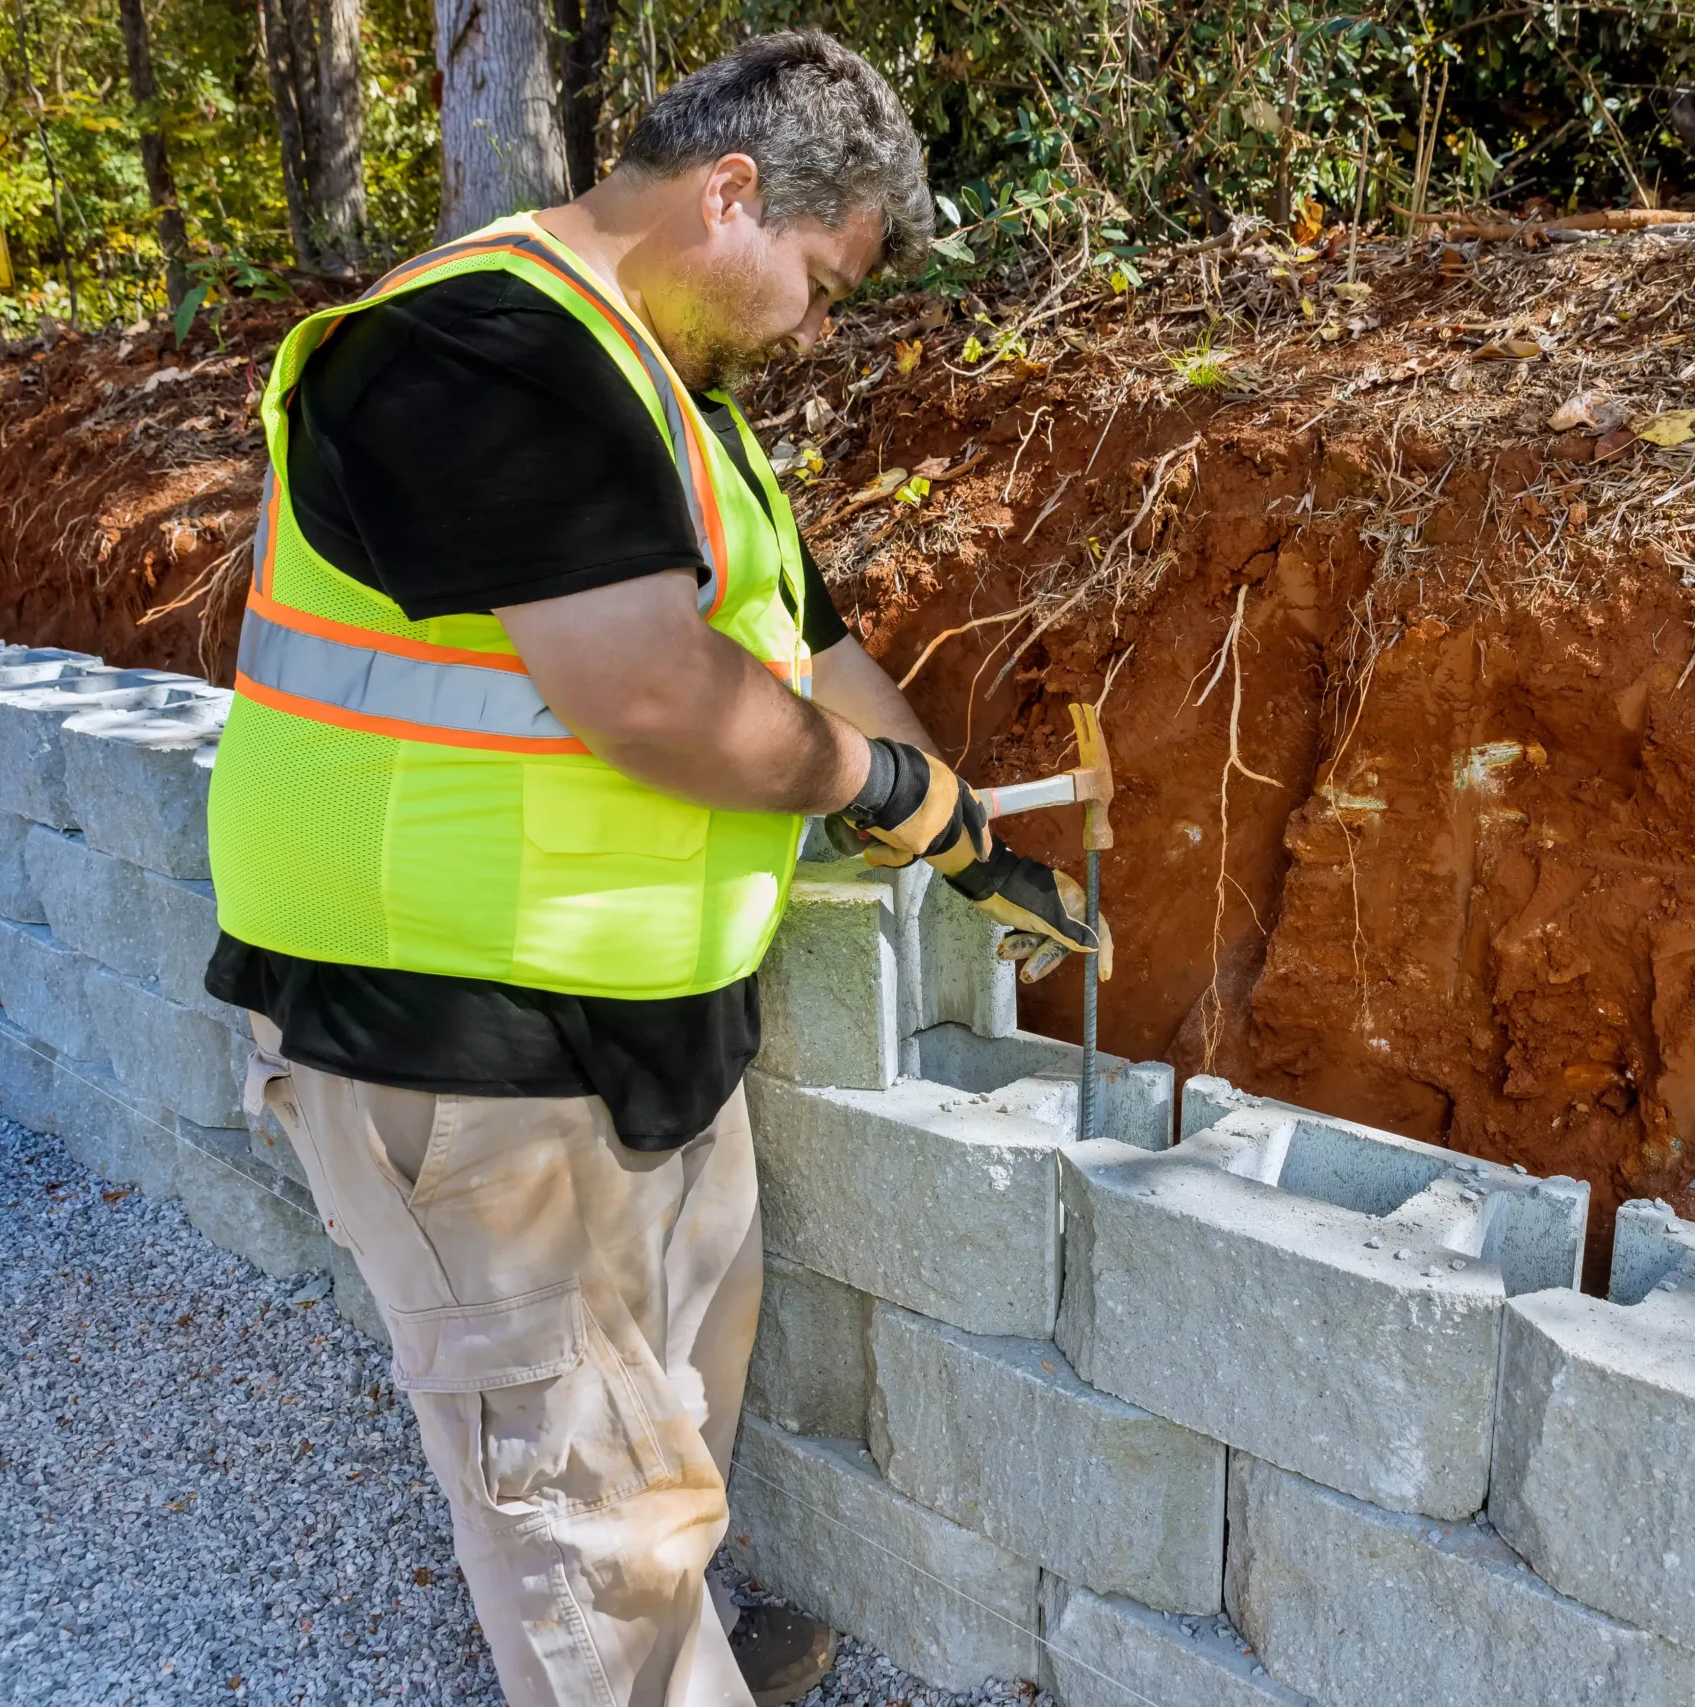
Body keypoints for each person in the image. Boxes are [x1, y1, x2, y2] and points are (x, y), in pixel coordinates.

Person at [202, 31, 1106, 1707]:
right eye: (822, 286)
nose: (820, 332)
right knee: (575, 1505)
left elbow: (800, 647)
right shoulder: (470, 353)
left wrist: (962, 831)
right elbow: (655, 699)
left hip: (639, 1027)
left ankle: (663, 1647)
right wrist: (875, 781)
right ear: (733, 192)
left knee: (662, 1421)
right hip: (456, 1044)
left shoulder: (663, 395)